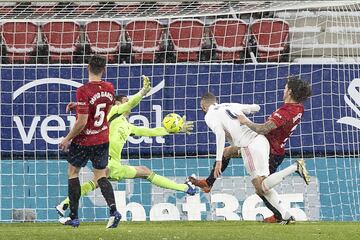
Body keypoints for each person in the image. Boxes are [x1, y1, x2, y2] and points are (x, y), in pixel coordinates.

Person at [56, 79, 196, 219]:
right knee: (100, 180)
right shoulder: (113, 113)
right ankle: (65, 204)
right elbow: (119, 105)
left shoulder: (128, 126)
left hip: (115, 164)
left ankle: (65, 204)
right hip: (106, 160)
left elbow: (150, 131)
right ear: (117, 103)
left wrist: (175, 130)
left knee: (140, 172)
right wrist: (142, 93)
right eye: (125, 101)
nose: (128, 104)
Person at [189, 76, 312, 223]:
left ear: (290, 92)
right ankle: (209, 183)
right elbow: (254, 108)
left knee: (261, 188)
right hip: (267, 144)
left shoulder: (285, 112)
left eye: (285, 87)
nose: (283, 89)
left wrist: (246, 121)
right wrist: (252, 109)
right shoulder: (299, 108)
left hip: (268, 148)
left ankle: (285, 203)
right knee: (227, 152)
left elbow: (263, 128)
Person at [59, 55, 120, 228]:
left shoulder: (83, 90)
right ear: (104, 69)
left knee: (73, 173)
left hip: (85, 140)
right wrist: (79, 106)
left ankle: (74, 217)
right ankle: (114, 211)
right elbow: (102, 108)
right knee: (101, 175)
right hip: (102, 138)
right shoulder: (109, 87)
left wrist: (67, 138)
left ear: (88, 67)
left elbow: (82, 122)